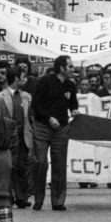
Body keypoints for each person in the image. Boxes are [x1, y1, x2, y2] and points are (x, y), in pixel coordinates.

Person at [30, 55, 78, 211]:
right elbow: (36, 105)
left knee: (59, 164)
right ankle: (38, 199)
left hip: (61, 129)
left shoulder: (71, 85)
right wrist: (48, 118)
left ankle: (58, 201)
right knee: (40, 163)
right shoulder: (44, 82)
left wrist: (75, 111)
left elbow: (73, 105)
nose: (72, 69)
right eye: (70, 66)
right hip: (43, 126)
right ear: (62, 68)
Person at [0, 68, 33, 207]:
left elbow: (30, 117)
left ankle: (22, 197)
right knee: (9, 167)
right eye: (22, 77)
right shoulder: (1, 96)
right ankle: (10, 196)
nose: (25, 80)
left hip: (23, 135)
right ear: (16, 79)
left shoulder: (27, 96)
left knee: (22, 167)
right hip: (9, 136)